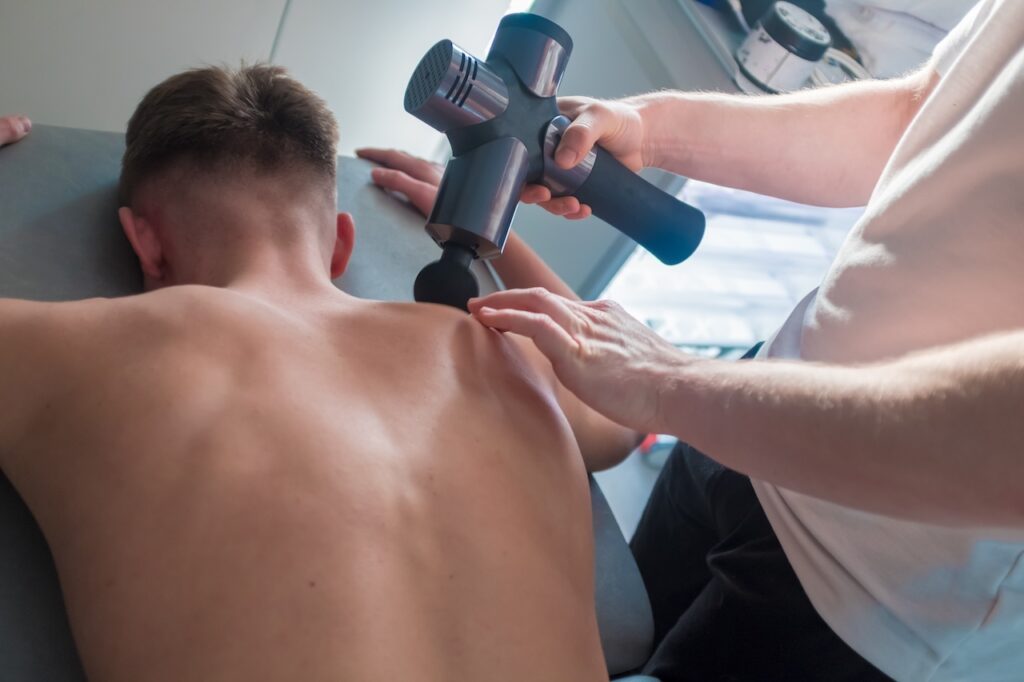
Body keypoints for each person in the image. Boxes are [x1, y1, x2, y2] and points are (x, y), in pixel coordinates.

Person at [371, 1, 1023, 680]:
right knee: (615, 633)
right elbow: (921, 111)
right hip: (748, 417)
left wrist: (667, 384)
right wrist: (649, 128)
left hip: (883, 595)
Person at [0, 64, 643, 681]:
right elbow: (627, 416)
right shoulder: (503, 351)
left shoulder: (97, 350)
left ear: (145, 243)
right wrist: (495, 238)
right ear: (342, 243)